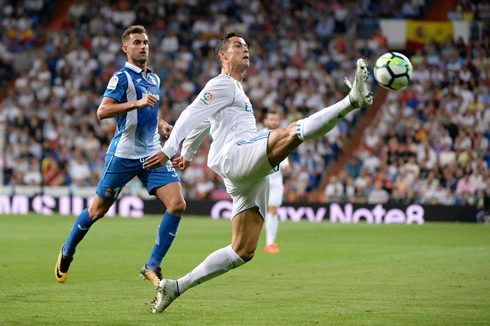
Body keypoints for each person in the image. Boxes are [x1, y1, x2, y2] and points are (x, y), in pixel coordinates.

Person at [142, 32, 373, 313]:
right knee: (291, 132)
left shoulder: (237, 91)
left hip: (243, 172)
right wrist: (169, 150)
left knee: (243, 250)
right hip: (236, 156)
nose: (245, 50)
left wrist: (188, 154)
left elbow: (204, 120)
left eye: (247, 46)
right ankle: (352, 100)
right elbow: (192, 112)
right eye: (238, 46)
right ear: (223, 55)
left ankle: (176, 287)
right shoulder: (222, 83)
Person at [55, 26, 186, 291]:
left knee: (178, 203)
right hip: (123, 156)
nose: (143, 46)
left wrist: (161, 124)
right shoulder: (121, 78)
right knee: (97, 211)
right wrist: (135, 104)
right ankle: (68, 250)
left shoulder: (155, 79)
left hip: (151, 153)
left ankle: (152, 265)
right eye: (137, 42)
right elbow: (102, 111)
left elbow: (147, 113)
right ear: (126, 48)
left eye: (146, 42)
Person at [261, 111, 290, 254]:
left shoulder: (282, 135)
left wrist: (286, 165)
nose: (274, 122)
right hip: (261, 180)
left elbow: (286, 160)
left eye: (276, 119)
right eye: (271, 119)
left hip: (276, 181)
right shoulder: (259, 136)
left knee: (273, 210)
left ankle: (270, 244)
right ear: (265, 121)